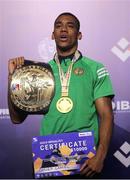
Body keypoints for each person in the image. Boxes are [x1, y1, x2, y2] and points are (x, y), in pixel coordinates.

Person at [8, 12, 114, 178]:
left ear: (79, 35)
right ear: (52, 35)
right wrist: (13, 78)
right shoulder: (39, 72)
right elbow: (16, 119)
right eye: (58, 26)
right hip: (49, 160)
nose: (63, 29)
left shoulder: (94, 68)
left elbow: (106, 115)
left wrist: (100, 156)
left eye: (70, 26)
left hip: (86, 162)